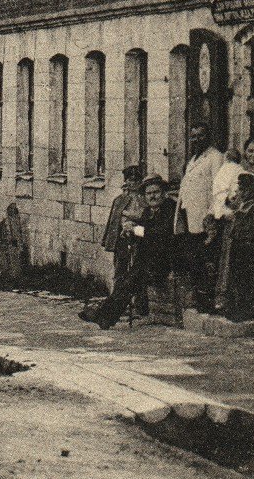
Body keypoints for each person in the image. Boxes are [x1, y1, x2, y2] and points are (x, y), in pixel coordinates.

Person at [81, 175, 177, 330]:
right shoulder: (148, 211)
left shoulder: (169, 208)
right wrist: (128, 231)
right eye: (148, 193)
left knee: (130, 280)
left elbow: (160, 234)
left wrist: (136, 230)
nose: (152, 196)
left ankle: (103, 315)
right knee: (127, 280)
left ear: (164, 193)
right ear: (145, 196)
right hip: (147, 262)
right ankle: (105, 317)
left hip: (165, 262)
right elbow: (141, 233)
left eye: (156, 192)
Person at [176, 124, 226, 311]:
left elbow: (219, 190)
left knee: (207, 260)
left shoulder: (215, 157)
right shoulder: (193, 160)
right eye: (193, 136)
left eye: (201, 136)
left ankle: (208, 303)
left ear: (208, 136)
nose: (196, 140)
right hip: (190, 218)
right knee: (194, 259)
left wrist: (211, 214)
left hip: (206, 220)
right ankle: (199, 299)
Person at [210, 141, 251, 312]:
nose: (252, 155)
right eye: (250, 151)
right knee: (232, 260)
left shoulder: (236, 171)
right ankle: (232, 300)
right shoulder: (239, 172)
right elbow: (231, 197)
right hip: (241, 224)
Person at [101, 165, 146, 290]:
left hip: (139, 239)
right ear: (126, 181)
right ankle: (116, 300)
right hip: (122, 240)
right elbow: (113, 222)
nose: (133, 183)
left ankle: (136, 303)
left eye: (137, 180)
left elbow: (144, 217)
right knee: (120, 270)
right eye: (130, 180)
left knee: (137, 272)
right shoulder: (119, 200)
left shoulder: (144, 199)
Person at [223, 173, 254, 323]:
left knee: (245, 278)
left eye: (241, 188)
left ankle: (246, 310)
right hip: (238, 243)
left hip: (247, 245)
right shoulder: (243, 204)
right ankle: (238, 307)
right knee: (237, 276)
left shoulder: (251, 206)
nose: (238, 192)